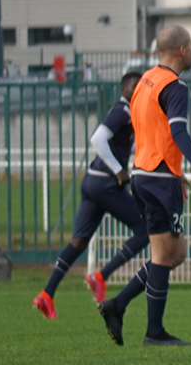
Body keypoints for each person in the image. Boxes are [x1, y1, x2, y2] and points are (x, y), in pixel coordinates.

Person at [98, 25, 191, 347]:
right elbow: (178, 132)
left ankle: (118, 305)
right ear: (182, 50)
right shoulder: (175, 86)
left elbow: (147, 128)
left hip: (144, 174)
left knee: (173, 252)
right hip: (159, 180)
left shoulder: (145, 81)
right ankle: (154, 332)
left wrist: (173, 168)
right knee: (166, 255)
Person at [32, 72, 150, 318]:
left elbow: (132, 146)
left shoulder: (129, 115)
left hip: (92, 183)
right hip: (106, 185)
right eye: (139, 87)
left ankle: (46, 294)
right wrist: (118, 171)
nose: (143, 92)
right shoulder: (123, 111)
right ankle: (101, 276)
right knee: (145, 230)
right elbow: (97, 139)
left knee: (79, 242)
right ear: (129, 89)